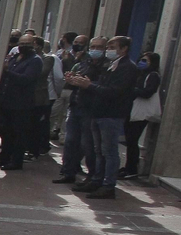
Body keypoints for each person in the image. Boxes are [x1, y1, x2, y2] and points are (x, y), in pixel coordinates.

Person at [69, 35, 141, 199]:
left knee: (109, 151)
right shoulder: (111, 65)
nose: (108, 50)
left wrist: (90, 85)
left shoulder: (127, 67)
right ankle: (96, 180)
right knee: (98, 150)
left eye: (112, 47)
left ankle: (108, 185)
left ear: (123, 49)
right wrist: (85, 83)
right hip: (98, 112)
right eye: (107, 47)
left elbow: (115, 92)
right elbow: (102, 85)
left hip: (112, 114)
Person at [53, 35, 105, 186]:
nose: (95, 50)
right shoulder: (85, 62)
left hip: (91, 109)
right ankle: (68, 172)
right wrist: (72, 79)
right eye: (93, 47)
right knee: (70, 142)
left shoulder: (106, 66)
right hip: (76, 105)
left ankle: (92, 176)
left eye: (99, 47)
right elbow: (77, 76)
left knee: (88, 145)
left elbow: (105, 87)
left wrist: (88, 84)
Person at [0, 34, 43, 171]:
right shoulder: (14, 58)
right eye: (21, 43)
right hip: (5, 101)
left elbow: (26, 79)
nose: (23, 46)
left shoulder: (35, 61)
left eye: (27, 43)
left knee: (18, 134)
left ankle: (16, 161)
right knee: (5, 131)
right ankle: (3, 157)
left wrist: (6, 71)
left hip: (21, 104)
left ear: (34, 44)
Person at [122, 51, 162, 179]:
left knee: (133, 140)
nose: (141, 63)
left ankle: (132, 169)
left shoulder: (153, 75)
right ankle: (128, 167)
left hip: (141, 112)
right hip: (133, 110)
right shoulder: (140, 74)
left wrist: (132, 90)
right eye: (141, 60)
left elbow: (148, 92)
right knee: (129, 140)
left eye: (145, 61)